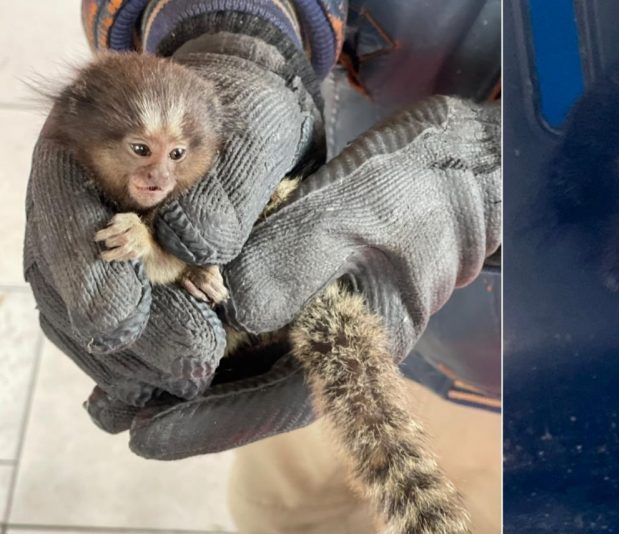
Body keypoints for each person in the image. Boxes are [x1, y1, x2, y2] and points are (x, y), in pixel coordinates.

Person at [27, 0, 501, 531]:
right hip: (303, 356)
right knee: (275, 512)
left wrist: (501, 170)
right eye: (142, 151)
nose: (159, 172)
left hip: (523, 392)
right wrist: (235, 22)